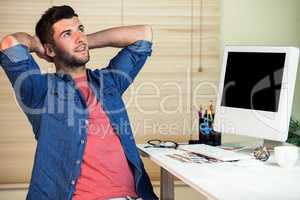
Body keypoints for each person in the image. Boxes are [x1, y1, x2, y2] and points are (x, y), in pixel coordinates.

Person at [0, 5, 158, 200]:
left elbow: (143, 35)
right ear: (50, 49)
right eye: (67, 34)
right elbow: (10, 43)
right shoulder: (40, 91)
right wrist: (36, 44)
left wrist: (82, 41)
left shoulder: (109, 81)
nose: (79, 37)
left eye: (80, 29)